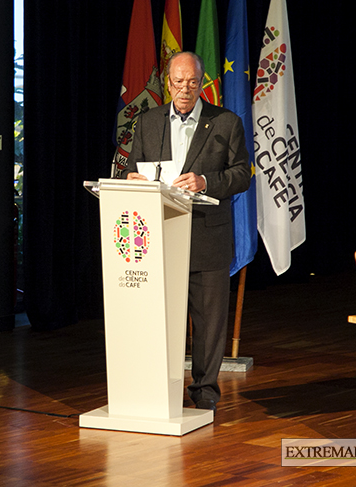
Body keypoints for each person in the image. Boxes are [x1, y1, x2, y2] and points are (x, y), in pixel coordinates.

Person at [121, 51, 251, 412]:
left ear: (201, 83)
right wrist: (130, 180)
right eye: (178, 82)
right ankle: (157, 389)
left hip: (207, 236)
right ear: (168, 83)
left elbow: (242, 174)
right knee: (160, 318)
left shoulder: (225, 122)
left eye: (192, 83)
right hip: (160, 237)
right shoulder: (148, 122)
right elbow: (132, 170)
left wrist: (206, 180)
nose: (185, 89)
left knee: (208, 322)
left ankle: (205, 393)